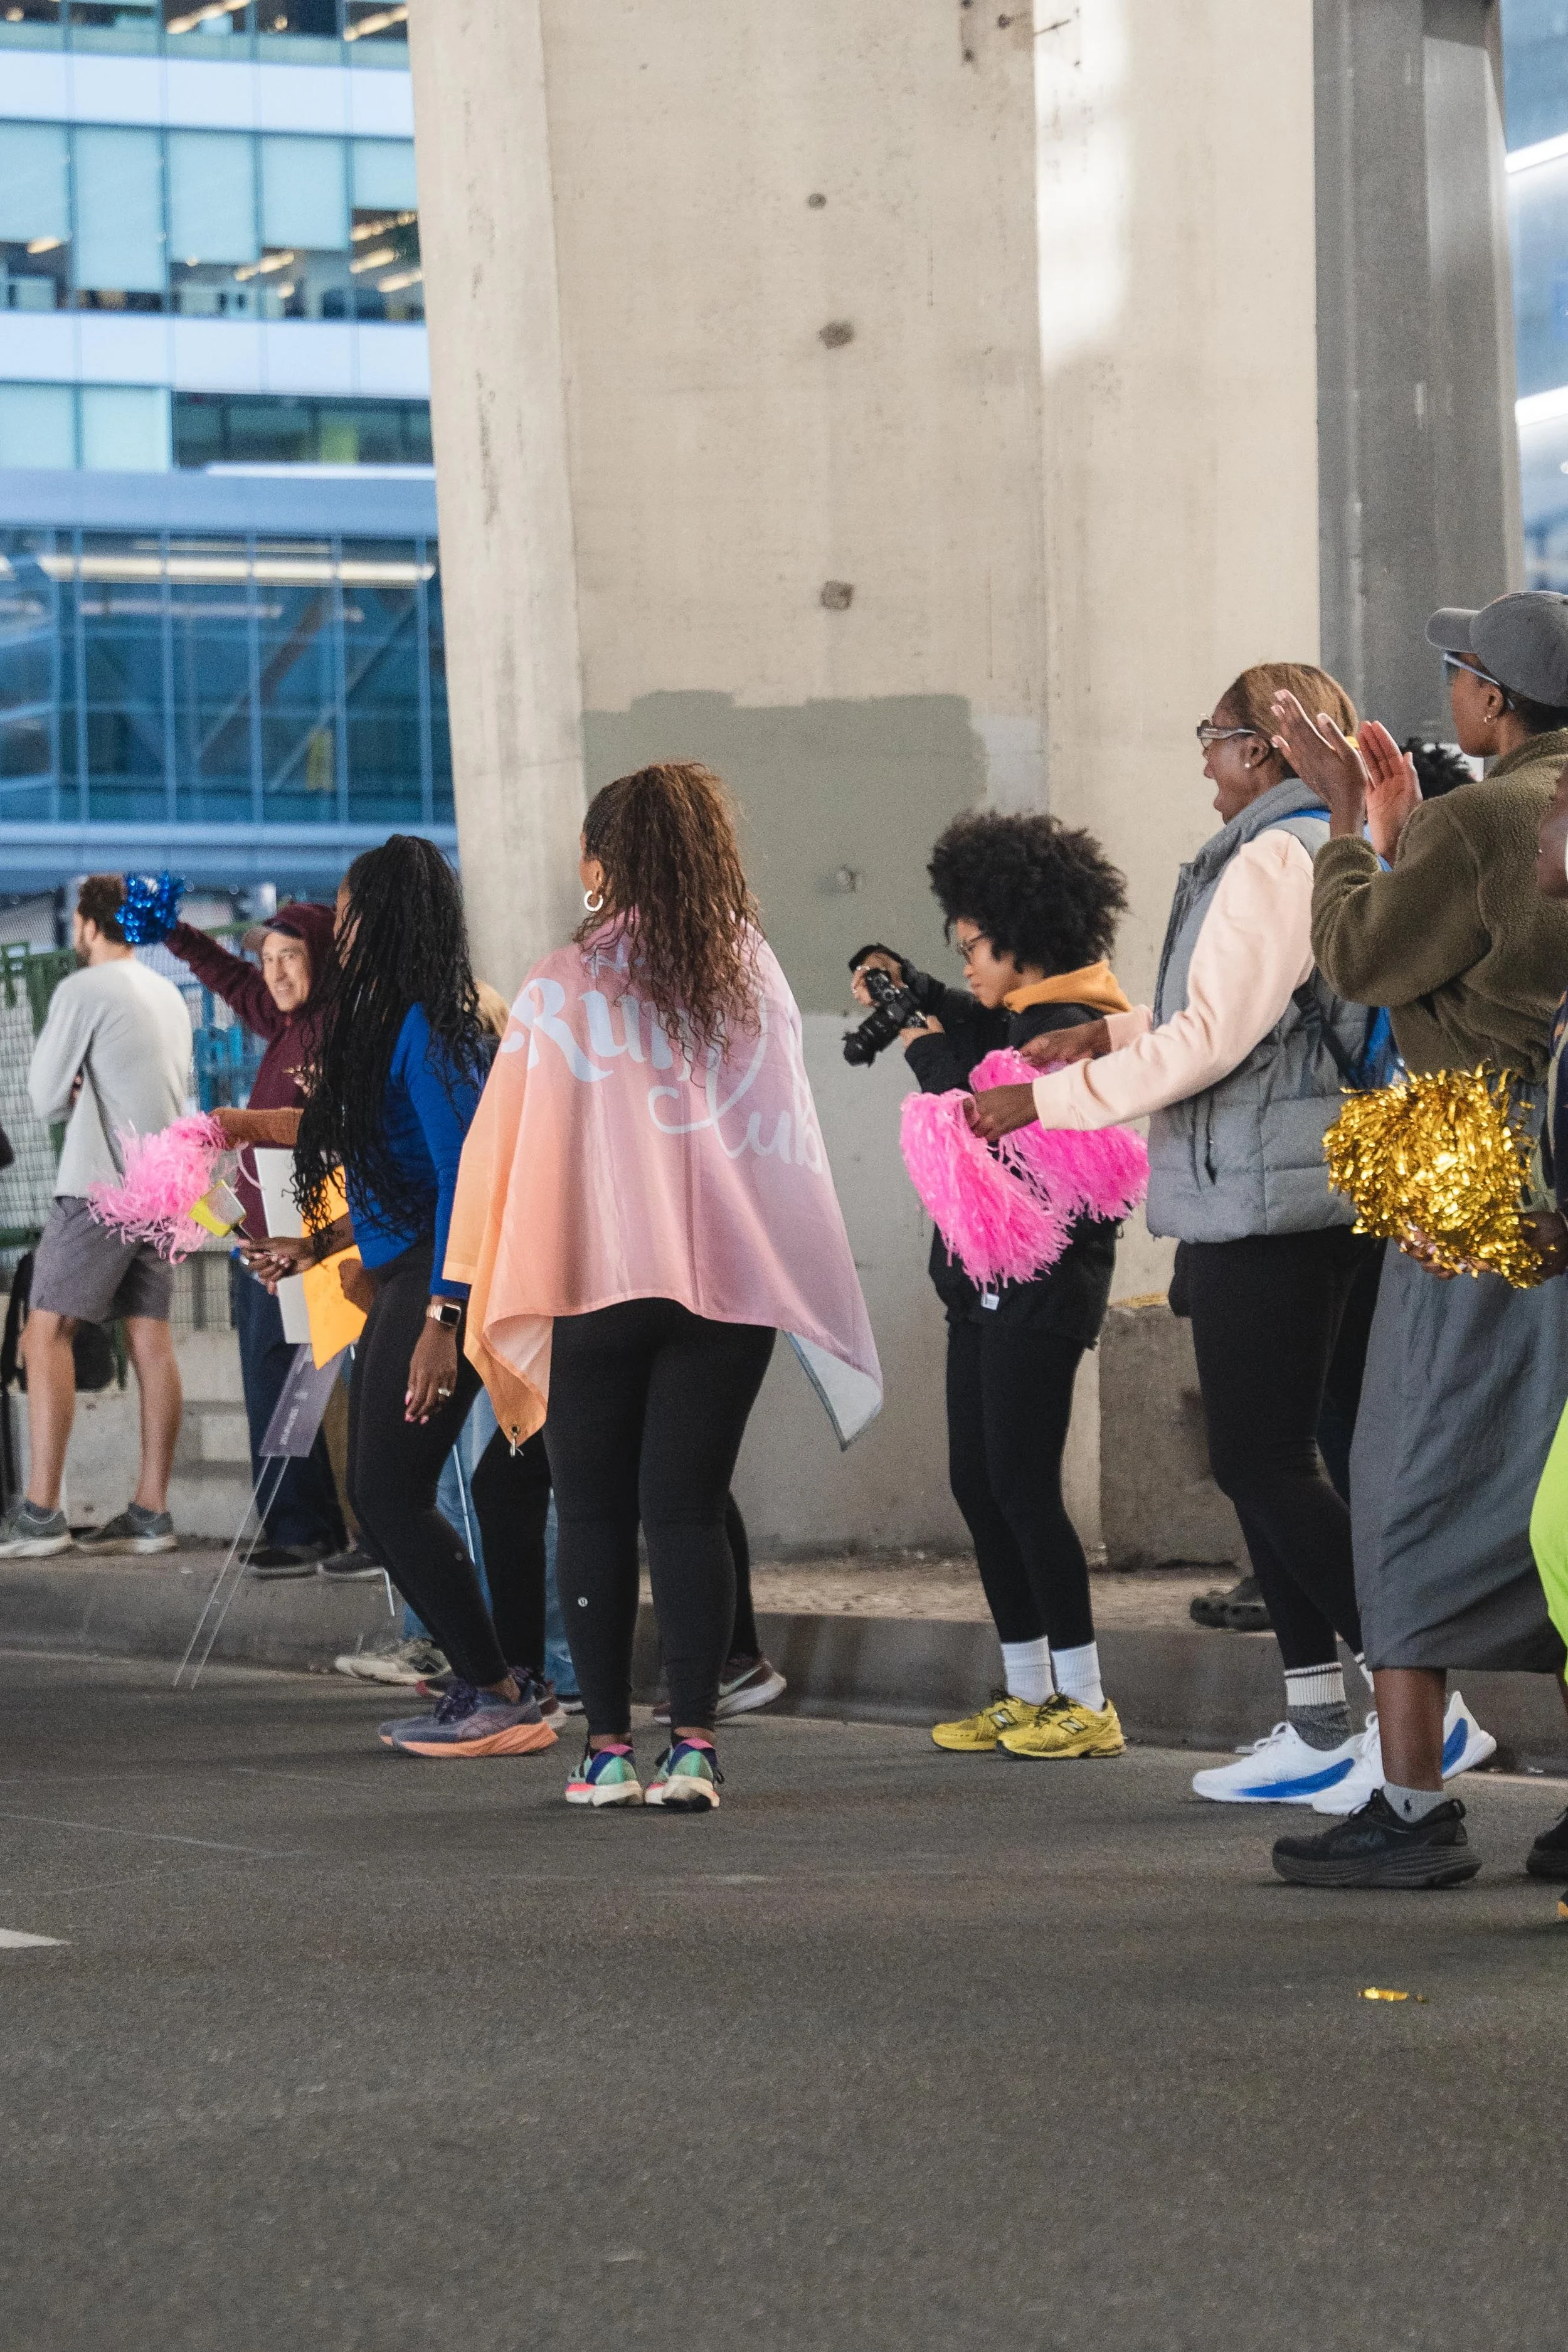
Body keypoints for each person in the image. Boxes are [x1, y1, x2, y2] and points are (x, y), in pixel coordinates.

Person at [969, 664, 1495, 1808]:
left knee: (1261, 1459)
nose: (1202, 759)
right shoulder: (1311, 842)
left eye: (1211, 737)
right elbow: (1264, 1012)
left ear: (1262, 748)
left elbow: (1219, 1039)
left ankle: (1427, 1716)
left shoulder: (1274, 850)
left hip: (1273, 1193)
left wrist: (1045, 1101)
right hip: (1312, 1182)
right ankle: (1320, 1723)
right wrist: (1113, 1035)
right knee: (1303, 1457)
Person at [448, 761, 881, 1812]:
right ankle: (694, 1749)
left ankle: (605, 1753)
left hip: (599, 1279)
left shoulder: (563, 981)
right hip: (731, 1287)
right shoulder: (753, 974)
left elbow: (505, 1148)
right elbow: (790, 1135)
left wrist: (463, 1286)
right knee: (684, 1512)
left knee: (593, 1513)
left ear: (602, 866)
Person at [1264, 591, 1568, 1888]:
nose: (1448, 691)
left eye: (1456, 670)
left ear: (1491, 699)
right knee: (1553, 1481)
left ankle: (1407, 1804)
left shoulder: (1482, 817)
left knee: (1406, 1458)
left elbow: (1357, 960)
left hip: (1465, 1150)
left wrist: (1348, 831)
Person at [239, 836, 558, 1759]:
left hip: (441, 1273)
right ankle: (490, 1677)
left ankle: (500, 1688)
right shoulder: (391, 1016)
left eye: (347, 915)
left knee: (390, 1487)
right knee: (384, 1494)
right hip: (410, 1264)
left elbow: (466, 1175)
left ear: (387, 917)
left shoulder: (436, 1019)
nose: (337, 933)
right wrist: (321, 1241)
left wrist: (441, 1317)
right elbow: (400, 1176)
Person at [852, 810, 1131, 1761]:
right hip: (986, 1281)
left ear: (1023, 935)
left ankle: (1086, 1700)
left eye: (970, 944)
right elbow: (979, 1027)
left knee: (1020, 1483)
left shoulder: (1068, 1024)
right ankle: (1027, 1688)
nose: (965, 961)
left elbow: (985, 1105)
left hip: (1044, 1284)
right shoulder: (1032, 1007)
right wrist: (917, 988)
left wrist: (923, 1049)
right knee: (980, 1481)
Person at [0, 876, 191, 1559]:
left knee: (42, 1331)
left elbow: (47, 1095)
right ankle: (150, 1512)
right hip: (164, 1186)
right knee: (151, 1340)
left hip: (99, 1188)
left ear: (85, 925)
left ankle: (42, 1513)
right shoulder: (167, 994)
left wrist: (75, 1084)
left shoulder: (84, 990)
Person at [164, 901, 346, 1573]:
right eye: (267, 959)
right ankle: (307, 1524)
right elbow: (233, 981)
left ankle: (303, 1529)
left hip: (301, 1238)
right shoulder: (291, 1022)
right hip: (264, 1232)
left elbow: (326, 1136)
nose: (273, 973)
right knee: (274, 1378)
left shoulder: (331, 1030)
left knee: (285, 1378)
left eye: (289, 956)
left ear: (322, 957)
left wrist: (300, 1236)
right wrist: (176, 934)